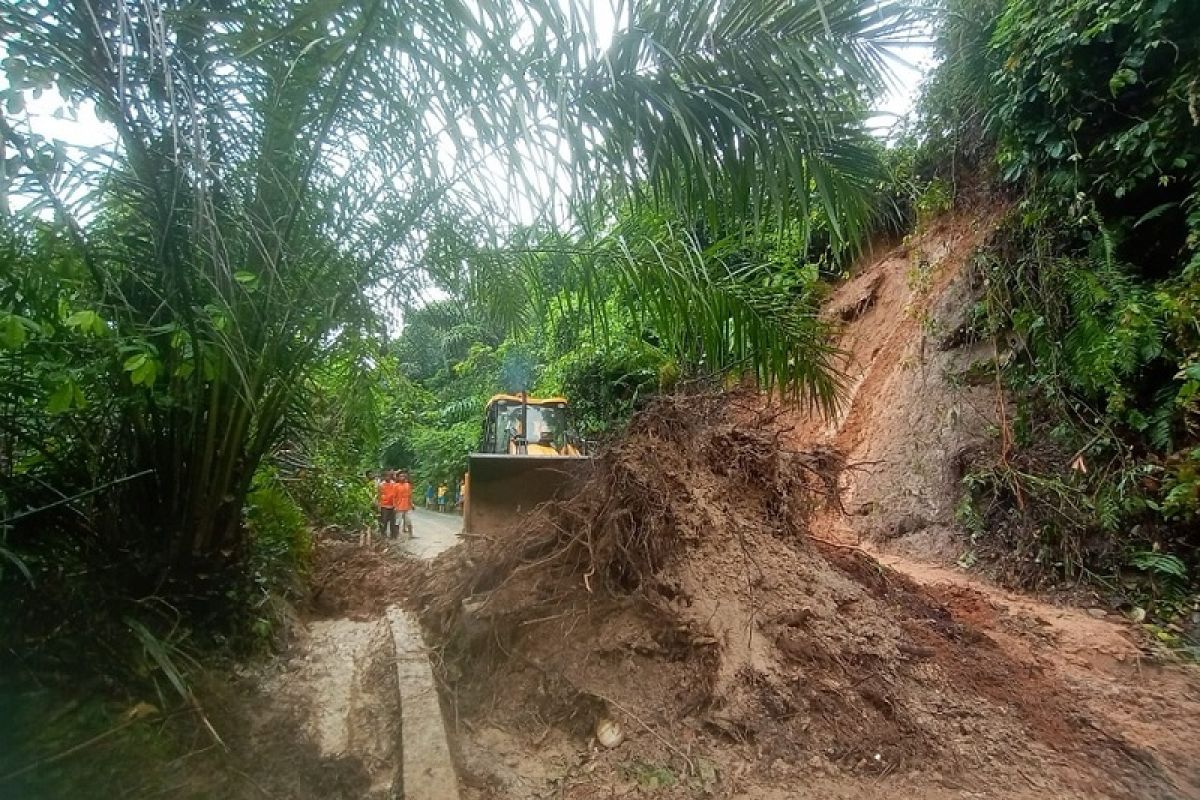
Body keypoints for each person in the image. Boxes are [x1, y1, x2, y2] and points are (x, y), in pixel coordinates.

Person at [393, 471, 415, 539]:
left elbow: (410, 496)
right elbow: (394, 497)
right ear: (398, 478)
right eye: (400, 476)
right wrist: (395, 506)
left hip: (407, 506)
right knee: (398, 522)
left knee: (409, 521)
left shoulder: (408, 485)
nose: (402, 478)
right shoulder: (396, 486)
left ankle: (411, 535)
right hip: (399, 507)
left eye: (403, 476)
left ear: (405, 477)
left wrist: (412, 504)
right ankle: (397, 535)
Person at [377, 470, 397, 541]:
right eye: (385, 476)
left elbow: (395, 495)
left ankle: (393, 535)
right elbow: (379, 495)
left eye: (388, 476)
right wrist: (379, 505)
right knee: (384, 520)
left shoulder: (394, 484)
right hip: (384, 505)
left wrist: (396, 504)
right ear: (383, 477)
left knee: (393, 521)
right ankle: (383, 533)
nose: (387, 477)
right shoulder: (381, 485)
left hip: (392, 505)